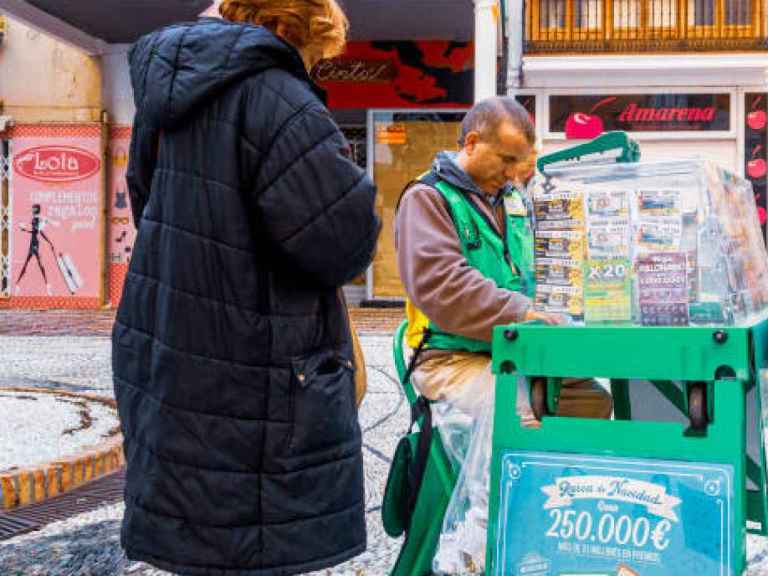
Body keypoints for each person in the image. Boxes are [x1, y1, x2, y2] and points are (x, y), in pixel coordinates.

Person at [113, 1, 379, 574]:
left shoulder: (163, 99)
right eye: (310, 56)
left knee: (196, 529)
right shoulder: (278, 99)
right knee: (255, 541)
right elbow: (341, 240)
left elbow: (144, 200)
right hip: (259, 363)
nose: (308, 70)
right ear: (284, 29)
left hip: (170, 341)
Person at [395, 97, 613, 573]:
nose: (516, 174)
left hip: (515, 351)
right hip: (448, 360)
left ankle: (556, 517)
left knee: (593, 401)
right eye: (508, 160)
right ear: (471, 143)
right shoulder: (427, 198)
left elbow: (537, 271)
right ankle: (474, 547)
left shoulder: (510, 199)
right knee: (510, 404)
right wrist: (523, 311)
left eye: (522, 164)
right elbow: (442, 286)